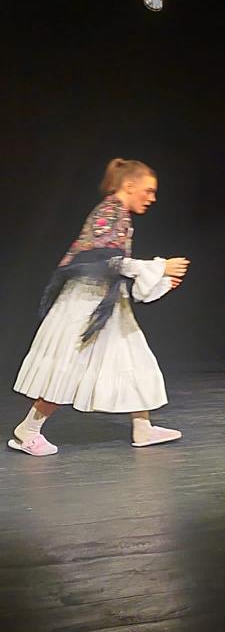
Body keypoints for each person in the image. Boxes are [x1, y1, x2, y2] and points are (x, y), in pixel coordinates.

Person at [9, 158, 190, 456]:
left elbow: (115, 268)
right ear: (129, 185)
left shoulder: (119, 214)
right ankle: (27, 430)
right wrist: (160, 267)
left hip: (104, 302)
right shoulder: (110, 211)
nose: (152, 198)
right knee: (70, 365)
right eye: (148, 190)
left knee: (136, 358)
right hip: (85, 305)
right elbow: (105, 262)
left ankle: (143, 427)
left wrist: (159, 280)